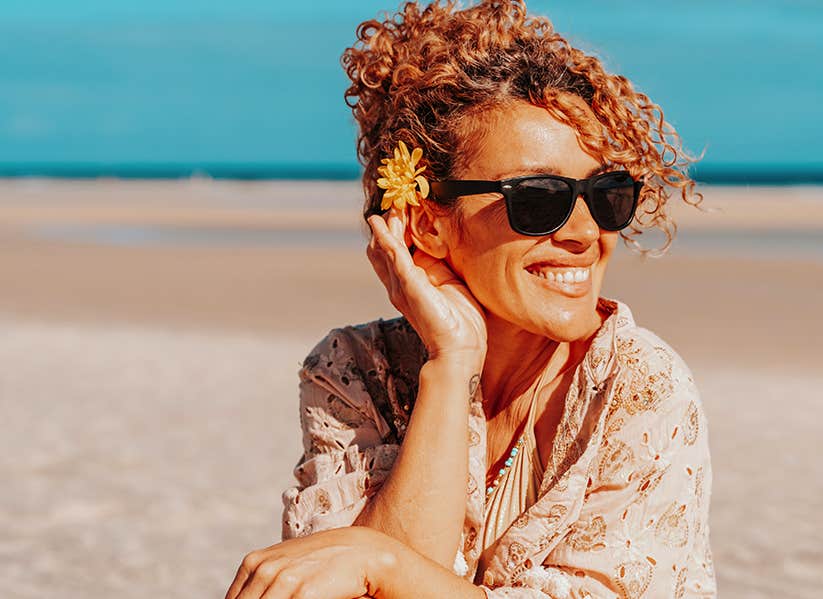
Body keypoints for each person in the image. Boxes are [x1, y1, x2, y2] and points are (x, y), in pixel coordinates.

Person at [225, 1, 714, 597]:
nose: (586, 233)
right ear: (428, 224)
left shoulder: (638, 385)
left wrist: (386, 566)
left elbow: (365, 578)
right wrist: (451, 364)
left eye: (607, 194)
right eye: (539, 199)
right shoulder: (353, 369)